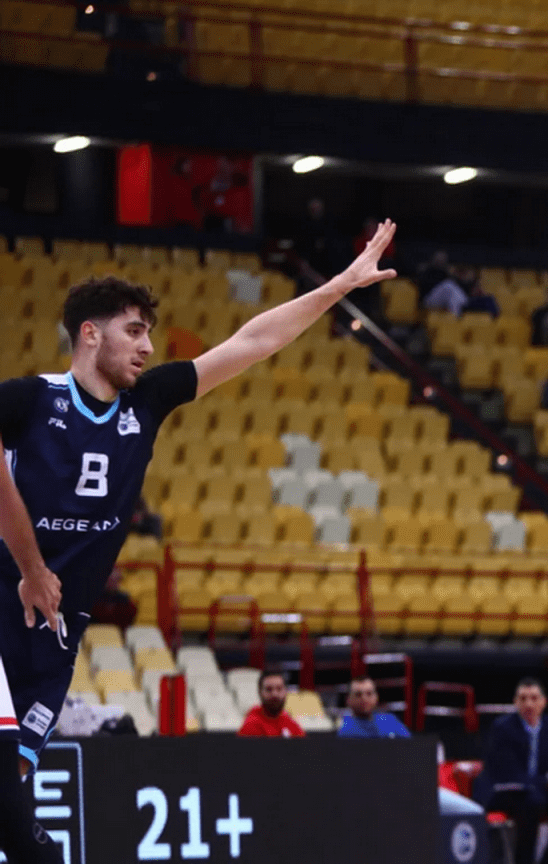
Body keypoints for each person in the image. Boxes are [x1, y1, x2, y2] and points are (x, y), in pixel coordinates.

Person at [0, 222, 396, 861]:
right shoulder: (30, 400)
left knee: (12, 794)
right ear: (90, 334)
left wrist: (339, 287)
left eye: (149, 333)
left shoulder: (147, 404)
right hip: (4, 603)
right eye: (135, 331)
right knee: (17, 820)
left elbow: (252, 341)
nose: (148, 347)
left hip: (56, 631)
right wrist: (29, 566)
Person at [479, 679, 548, 864]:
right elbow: (510, 773)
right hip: (505, 791)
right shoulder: (502, 728)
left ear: (544, 702)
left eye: (534, 698)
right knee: (532, 802)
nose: (529, 704)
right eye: (523, 698)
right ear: (515, 702)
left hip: (538, 790)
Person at [238, 670, 306, 738]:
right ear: (260, 692)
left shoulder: (288, 720)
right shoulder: (251, 725)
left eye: (279, 689)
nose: (274, 694)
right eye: (269, 689)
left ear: (285, 691)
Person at [337, 677, 411, 738]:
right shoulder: (344, 729)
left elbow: (409, 745)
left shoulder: (390, 720)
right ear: (348, 700)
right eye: (358, 694)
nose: (364, 699)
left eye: (369, 693)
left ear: (376, 697)